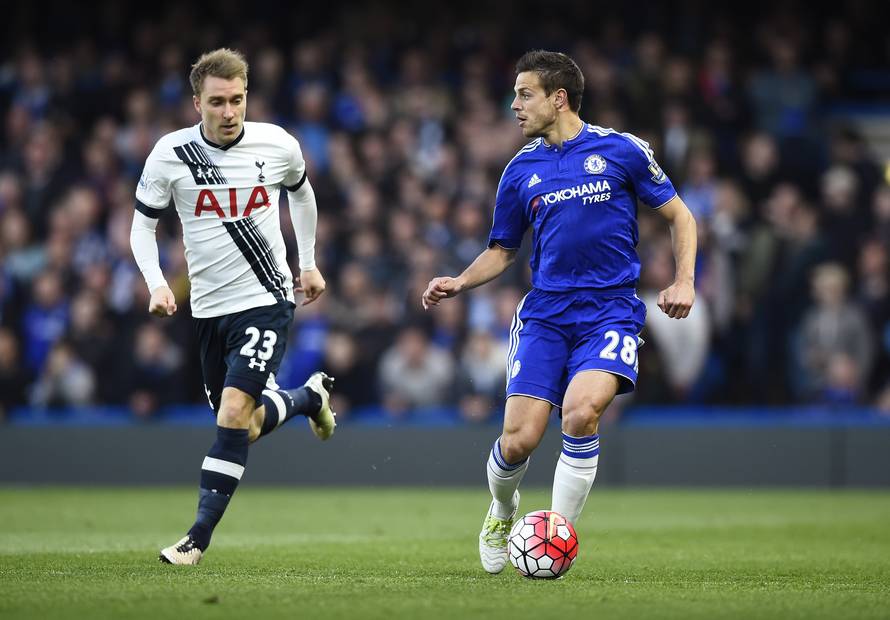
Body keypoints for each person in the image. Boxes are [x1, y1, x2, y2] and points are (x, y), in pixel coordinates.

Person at [422, 50, 697, 574]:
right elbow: (502, 250)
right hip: (546, 315)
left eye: (525, 94)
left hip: (610, 311)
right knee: (518, 440)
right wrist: (460, 280)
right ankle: (502, 511)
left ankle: (555, 536)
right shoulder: (519, 169)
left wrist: (684, 280)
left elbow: (680, 215)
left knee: (580, 411)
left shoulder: (622, 150)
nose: (515, 105)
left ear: (559, 98)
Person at [130, 48, 337, 565]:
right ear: (196, 103)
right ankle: (307, 398)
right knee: (244, 426)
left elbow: (302, 194)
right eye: (217, 102)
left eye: (237, 100)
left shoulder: (278, 144)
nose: (229, 112)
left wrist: (308, 263)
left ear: (248, 97)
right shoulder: (171, 154)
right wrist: (156, 283)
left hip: (266, 299)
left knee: (232, 412)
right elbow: (142, 226)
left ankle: (195, 539)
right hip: (207, 310)